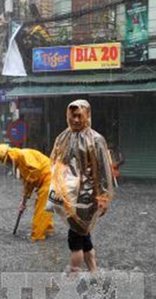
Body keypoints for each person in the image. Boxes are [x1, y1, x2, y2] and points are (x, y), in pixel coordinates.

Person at [49, 99, 114, 275]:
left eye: (79, 116)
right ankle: (94, 272)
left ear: (87, 116)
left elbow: (103, 170)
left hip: (87, 198)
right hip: (69, 196)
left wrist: (103, 197)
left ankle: (74, 274)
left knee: (75, 238)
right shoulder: (62, 138)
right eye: (72, 116)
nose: (75, 120)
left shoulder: (96, 140)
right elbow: (55, 165)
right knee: (83, 235)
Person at [0, 143, 54, 242]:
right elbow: (28, 183)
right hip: (46, 180)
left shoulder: (24, 155)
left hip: (50, 178)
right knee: (43, 206)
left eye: (7, 161)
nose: (8, 163)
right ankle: (47, 230)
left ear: (9, 156)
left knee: (41, 208)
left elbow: (34, 172)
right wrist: (24, 201)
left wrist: (30, 184)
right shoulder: (20, 163)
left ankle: (37, 236)